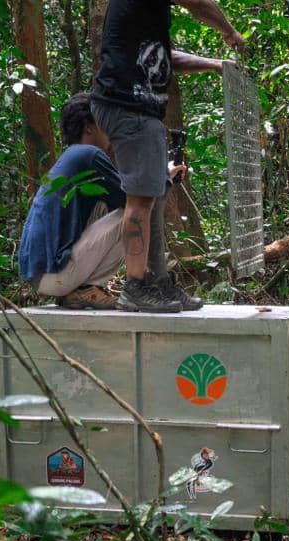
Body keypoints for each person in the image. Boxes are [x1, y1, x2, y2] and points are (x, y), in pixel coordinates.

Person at [91, 0, 244, 312]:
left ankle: (158, 282)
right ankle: (135, 287)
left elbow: (166, 59)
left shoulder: (146, 22)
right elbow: (200, 4)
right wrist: (230, 32)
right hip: (128, 106)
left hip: (141, 110)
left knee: (154, 196)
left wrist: (215, 64)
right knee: (141, 200)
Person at [17, 93, 189, 310]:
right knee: (135, 213)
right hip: (55, 274)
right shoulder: (88, 155)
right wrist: (164, 175)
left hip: (42, 275)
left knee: (115, 205)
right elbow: (137, 202)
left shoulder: (74, 156)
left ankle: (81, 292)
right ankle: (128, 287)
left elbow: (122, 195)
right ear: (89, 127)